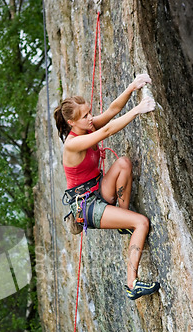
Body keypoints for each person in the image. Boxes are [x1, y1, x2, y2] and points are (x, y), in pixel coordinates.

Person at [54, 74, 160, 300]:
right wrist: (137, 109)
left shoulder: (87, 127)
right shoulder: (73, 144)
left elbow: (112, 111)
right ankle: (132, 284)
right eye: (85, 116)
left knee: (123, 163)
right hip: (86, 207)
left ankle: (124, 220)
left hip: (98, 190)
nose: (90, 118)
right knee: (142, 222)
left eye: (89, 112)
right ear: (72, 122)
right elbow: (107, 131)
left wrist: (132, 86)